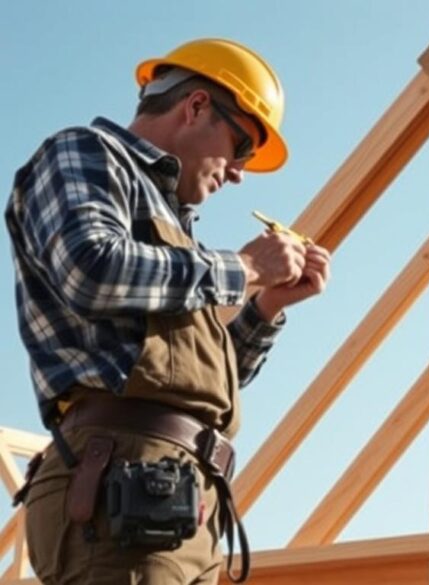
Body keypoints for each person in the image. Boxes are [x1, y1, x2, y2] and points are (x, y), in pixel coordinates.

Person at [5, 38, 329, 584]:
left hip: (178, 499)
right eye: (241, 146)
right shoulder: (86, 153)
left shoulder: (177, 236)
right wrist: (245, 267)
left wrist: (266, 307)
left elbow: (194, 380)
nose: (238, 172)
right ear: (196, 106)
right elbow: (90, 268)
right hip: (119, 486)